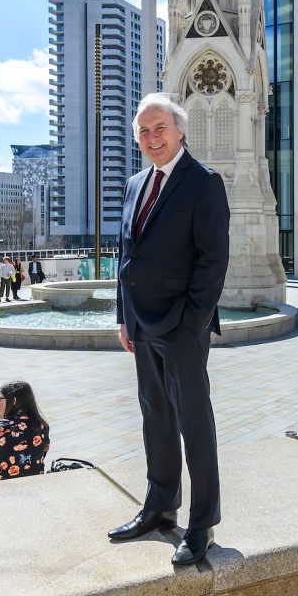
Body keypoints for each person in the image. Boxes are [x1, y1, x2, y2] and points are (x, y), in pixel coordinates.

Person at [110, 93, 230, 566]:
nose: (151, 137)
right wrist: (124, 315)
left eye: (159, 128)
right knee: (154, 417)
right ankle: (160, 506)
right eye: (143, 131)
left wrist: (191, 320)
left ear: (180, 130)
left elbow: (213, 260)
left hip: (182, 325)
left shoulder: (204, 183)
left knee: (193, 423)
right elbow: (127, 256)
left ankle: (201, 523)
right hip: (141, 323)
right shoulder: (136, 182)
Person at [0, 380, 51, 482]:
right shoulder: (43, 426)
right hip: (34, 485)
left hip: (3, 490)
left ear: (13, 401)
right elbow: (41, 456)